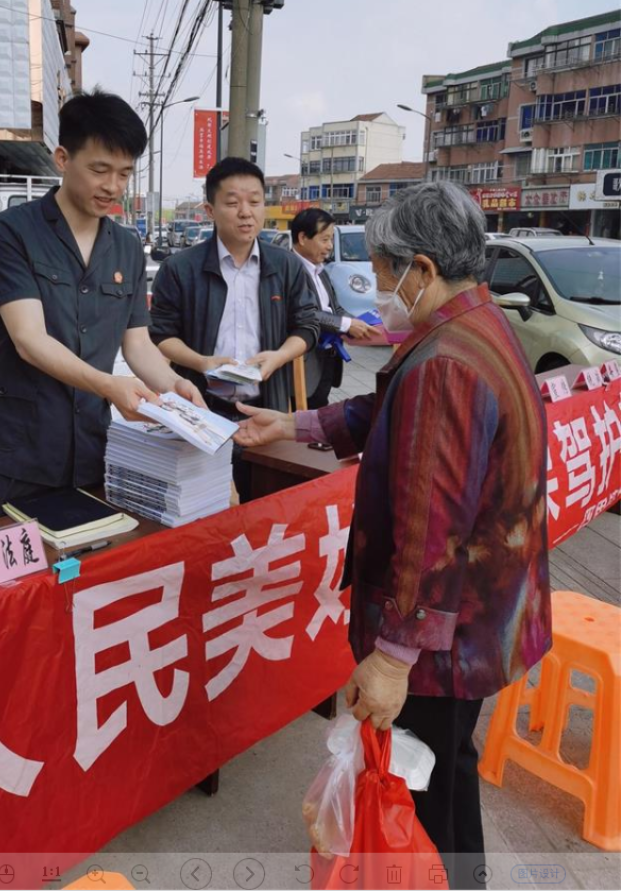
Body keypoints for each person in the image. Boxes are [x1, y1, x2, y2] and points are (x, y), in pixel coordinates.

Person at [234, 182, 551, 889]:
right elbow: (390, 410)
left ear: (423, 269)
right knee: (448, 768)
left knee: (422, 786)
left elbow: (432, 526)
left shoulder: (445, 362)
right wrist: (295, 423)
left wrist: (393, 656)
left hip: (444, 631)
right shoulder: (476, 324)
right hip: (480, 616)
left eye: (383, 275)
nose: (379, 293)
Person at [0, 89, 204, 524]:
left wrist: (173, 385)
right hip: (14, 453)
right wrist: (109, 386)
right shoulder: (10, 233)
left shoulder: (127, 248)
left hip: (89, 448)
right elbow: (29, 340)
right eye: (99, 169)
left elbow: (137, 344)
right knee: (13, 567)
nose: (113, 186)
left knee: (90, 561)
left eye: (124, 174)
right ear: (62, 159)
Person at [149, 157, 319, 501]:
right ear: (210, 210)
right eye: (232, 203)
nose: (245, 213)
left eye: (254, 201)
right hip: (201, 409)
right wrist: (202, 362)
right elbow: (162, 334)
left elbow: (308, 325)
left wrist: (278, 357)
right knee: (203, 506)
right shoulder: (180, 268)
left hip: (265, 408)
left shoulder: (285, 265)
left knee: (264, 504)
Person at [291, 208, 379, 408]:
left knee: (320, 409)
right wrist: (346, 324)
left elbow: (335, 307)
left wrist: (359, 323)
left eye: (331, 239)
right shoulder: (288, 269)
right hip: (302, 362)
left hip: (328, 359)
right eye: (324, 239)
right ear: (303, 238)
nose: (330, 246)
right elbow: (303, 313)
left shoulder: (321, 271)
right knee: (300, 416)